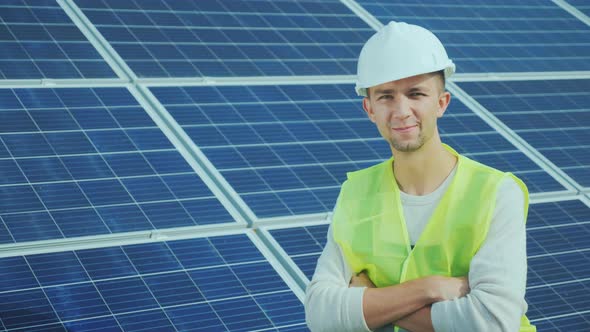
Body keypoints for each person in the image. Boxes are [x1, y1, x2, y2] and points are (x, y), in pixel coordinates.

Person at [304, 21, 536, 332]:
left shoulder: (497, 193)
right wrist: (428, 288)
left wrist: (367, 298)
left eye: (416, 94)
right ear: (368, 108)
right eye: (386, 96)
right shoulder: (355, 192)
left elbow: (491, 322)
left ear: (442, 102)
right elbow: (320, 315)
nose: (401, 111)